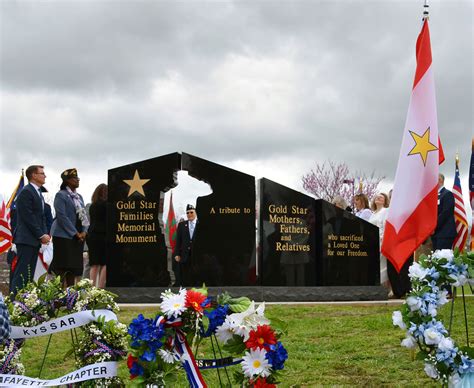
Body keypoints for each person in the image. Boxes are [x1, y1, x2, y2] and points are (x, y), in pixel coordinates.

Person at [10, 165, 50, 295]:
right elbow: (28, 217)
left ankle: (24, 303)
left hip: (34, 240)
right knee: (21, 274)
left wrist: (45, 234)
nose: (45, 176)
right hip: (26, 239)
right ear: (33, 175)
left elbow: (42, 216)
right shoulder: (26, 191)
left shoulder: (38, 193)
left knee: (29, 274)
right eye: (42, 173)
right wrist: (40, 234)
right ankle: (14, 303)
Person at [49, 169, 89, 287]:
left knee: (73, 268)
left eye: (78, 178)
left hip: (78, 238)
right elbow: (62, 216)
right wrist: (75, 233)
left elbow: (84, 216)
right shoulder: (61, 195)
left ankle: (70, 296)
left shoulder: (79, 197)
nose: (77, 180)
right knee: (61, 268)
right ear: (67, 181)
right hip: (63, 236)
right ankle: (58, 297)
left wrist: (84, 232)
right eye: (74, 178)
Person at [369, 193, 391, 292]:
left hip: (381, 241)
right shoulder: (372, 213)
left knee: (382, 264)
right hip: (372, 242)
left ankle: (385, 288)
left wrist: (382, 239)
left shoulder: (385, 211)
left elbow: (384, 226)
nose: (378, 198)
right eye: (377, 197)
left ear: (385, 201)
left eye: (381, 197)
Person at [86, 184, 108, 288]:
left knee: (94, 264)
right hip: (103, 235)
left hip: (92, 236)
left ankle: (92, 287)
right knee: (105, 263)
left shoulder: (92, 206)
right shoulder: (107, 206)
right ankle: (100, 287)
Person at [173, 204, 198, 286]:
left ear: (196, 213)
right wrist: (176, 254)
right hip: (185, 255)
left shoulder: (200, 224)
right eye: (187, 213)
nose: (189, 214)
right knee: (185, 275)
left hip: (197, 256)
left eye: (191, 212)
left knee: (196, 274)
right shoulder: (182, 225)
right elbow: (178, 241)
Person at [432, 173, 456, 250]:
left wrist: (434, 226)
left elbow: (445, 213)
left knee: (442, 259)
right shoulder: (434, 196)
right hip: (436, 234)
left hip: (445, 233)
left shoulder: (447, 194)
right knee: (436, 259)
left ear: (439, 180)